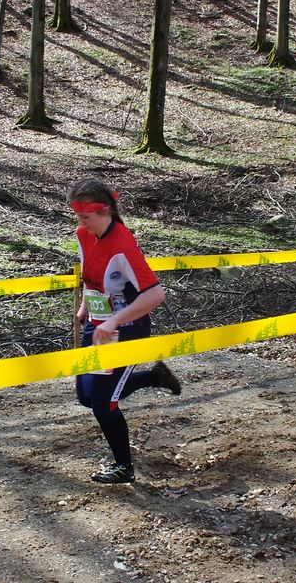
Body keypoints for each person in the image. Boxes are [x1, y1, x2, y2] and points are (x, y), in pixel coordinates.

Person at [68, 178, 182, 484]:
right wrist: (86, 309)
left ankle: (123, 466)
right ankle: (154, 377)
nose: (81, 224)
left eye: (86, 217)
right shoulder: (84, 234)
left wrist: (114, 321)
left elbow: (156, 295)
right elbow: (91, 276)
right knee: (86, 395)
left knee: (103, 404)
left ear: (105, 211)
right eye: (78, 218)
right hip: (98, 324)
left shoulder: (123, 244)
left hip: (127, 329)